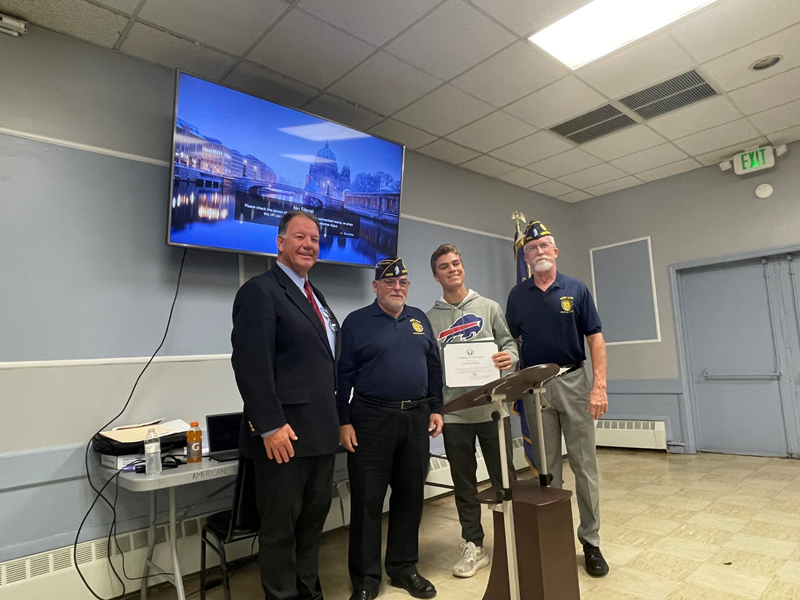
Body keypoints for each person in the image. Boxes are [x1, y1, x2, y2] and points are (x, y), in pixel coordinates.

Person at [231, 210, 340, 600]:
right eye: (299, 237)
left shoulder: (317, 297)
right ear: (280, 242)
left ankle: (310, 595)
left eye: (314, 238)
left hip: (321, 435)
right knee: (280, 533)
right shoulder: (260, 291)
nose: (309, 244)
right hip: (285, 438)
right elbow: (249, 363)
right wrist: (270, 425)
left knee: (312, 528)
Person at [505, 221, 610, 578]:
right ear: (526, 257)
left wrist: (599, 387)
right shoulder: (517, 296)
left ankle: (591, 542)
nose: (538, 253)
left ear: (555, 251)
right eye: (531, 249)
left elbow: (595, 339)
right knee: (547, 470)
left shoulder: (576, 289)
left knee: (584, 467)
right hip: (536, 389)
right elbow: (509, 344)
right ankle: (555, 536)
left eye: (544, 246)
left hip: (575, 382)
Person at [338, 258, 443, 600]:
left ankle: (403, 568)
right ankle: (366, 580)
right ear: (376, 287)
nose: (397, 287)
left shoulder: (419, 319)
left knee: (411, 496)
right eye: (390, 282)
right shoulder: (356, 323)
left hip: (415, 417)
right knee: (368, 501)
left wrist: (436, 408)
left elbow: (433, 367)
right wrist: (343, 421)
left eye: (403, 282)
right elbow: (342, 378)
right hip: (370, 419)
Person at [425, 244, 518, 578]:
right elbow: (430, 368)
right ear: (436, 275)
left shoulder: (489, 308)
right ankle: (473, 544)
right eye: (445, 266)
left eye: (457, 263)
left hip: (493, 411)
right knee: (464, 484)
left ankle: (514, 537)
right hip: (454, 415)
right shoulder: (429, 319)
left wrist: (511, 358)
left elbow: (509, 345)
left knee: (504, 478)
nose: (453, 269)